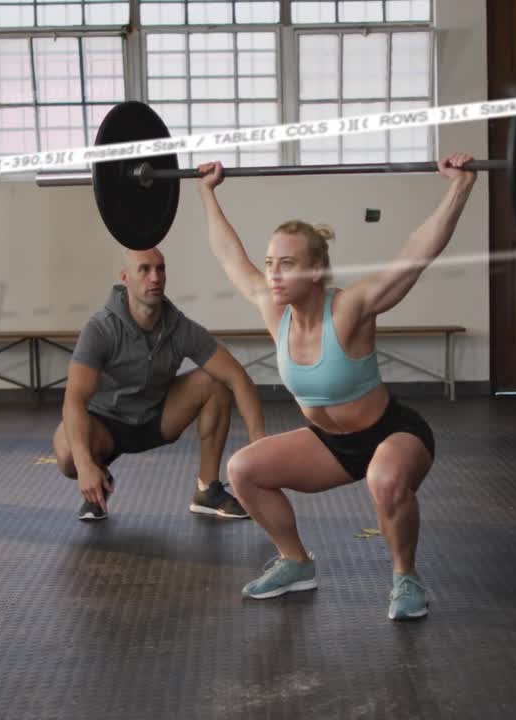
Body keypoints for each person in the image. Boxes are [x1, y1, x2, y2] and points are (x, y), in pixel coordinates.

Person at [196, 154, 477, 621]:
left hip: (392, 435)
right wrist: (207, 192)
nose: (274, 274)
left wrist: (460, 187)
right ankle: (295, 562)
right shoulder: (274, 310)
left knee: (383, 479)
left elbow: (414, 256)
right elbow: (229, 255)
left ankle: (406, 577)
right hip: (329, 445)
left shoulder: (348, 310)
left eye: (287, 264)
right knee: (243, 470)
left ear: (317, 270)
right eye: (270, 263)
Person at [52, 247, 266, 522]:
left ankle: (207, 491)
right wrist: (84, 466)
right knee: (68, 452)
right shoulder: (100, 329)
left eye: (160, 269)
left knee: (217, 381)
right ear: (125, 277)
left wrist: (259, 445)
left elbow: (238, 377)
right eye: (144, 269)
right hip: (105, 426)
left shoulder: (179, 327)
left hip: (157, 419)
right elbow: (75, 399)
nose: (155, 278)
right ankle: (98, 479)